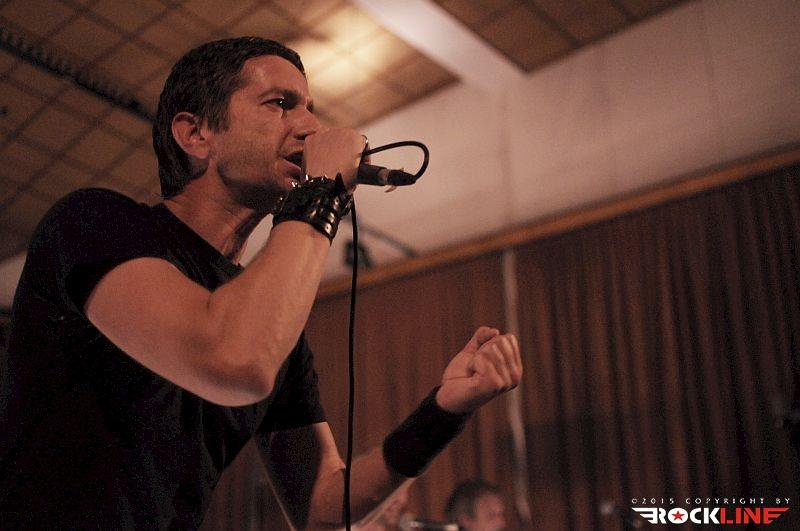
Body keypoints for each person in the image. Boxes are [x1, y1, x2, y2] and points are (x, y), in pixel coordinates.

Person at [0, 37, 522, 529]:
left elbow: (322, 510)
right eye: (280, 104)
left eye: (310, 108)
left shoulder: (269, 320)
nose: (311, 127)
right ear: (196, 134)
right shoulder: (94, 223)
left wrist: (444, 410)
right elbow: (231, 357)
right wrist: (321, 194)